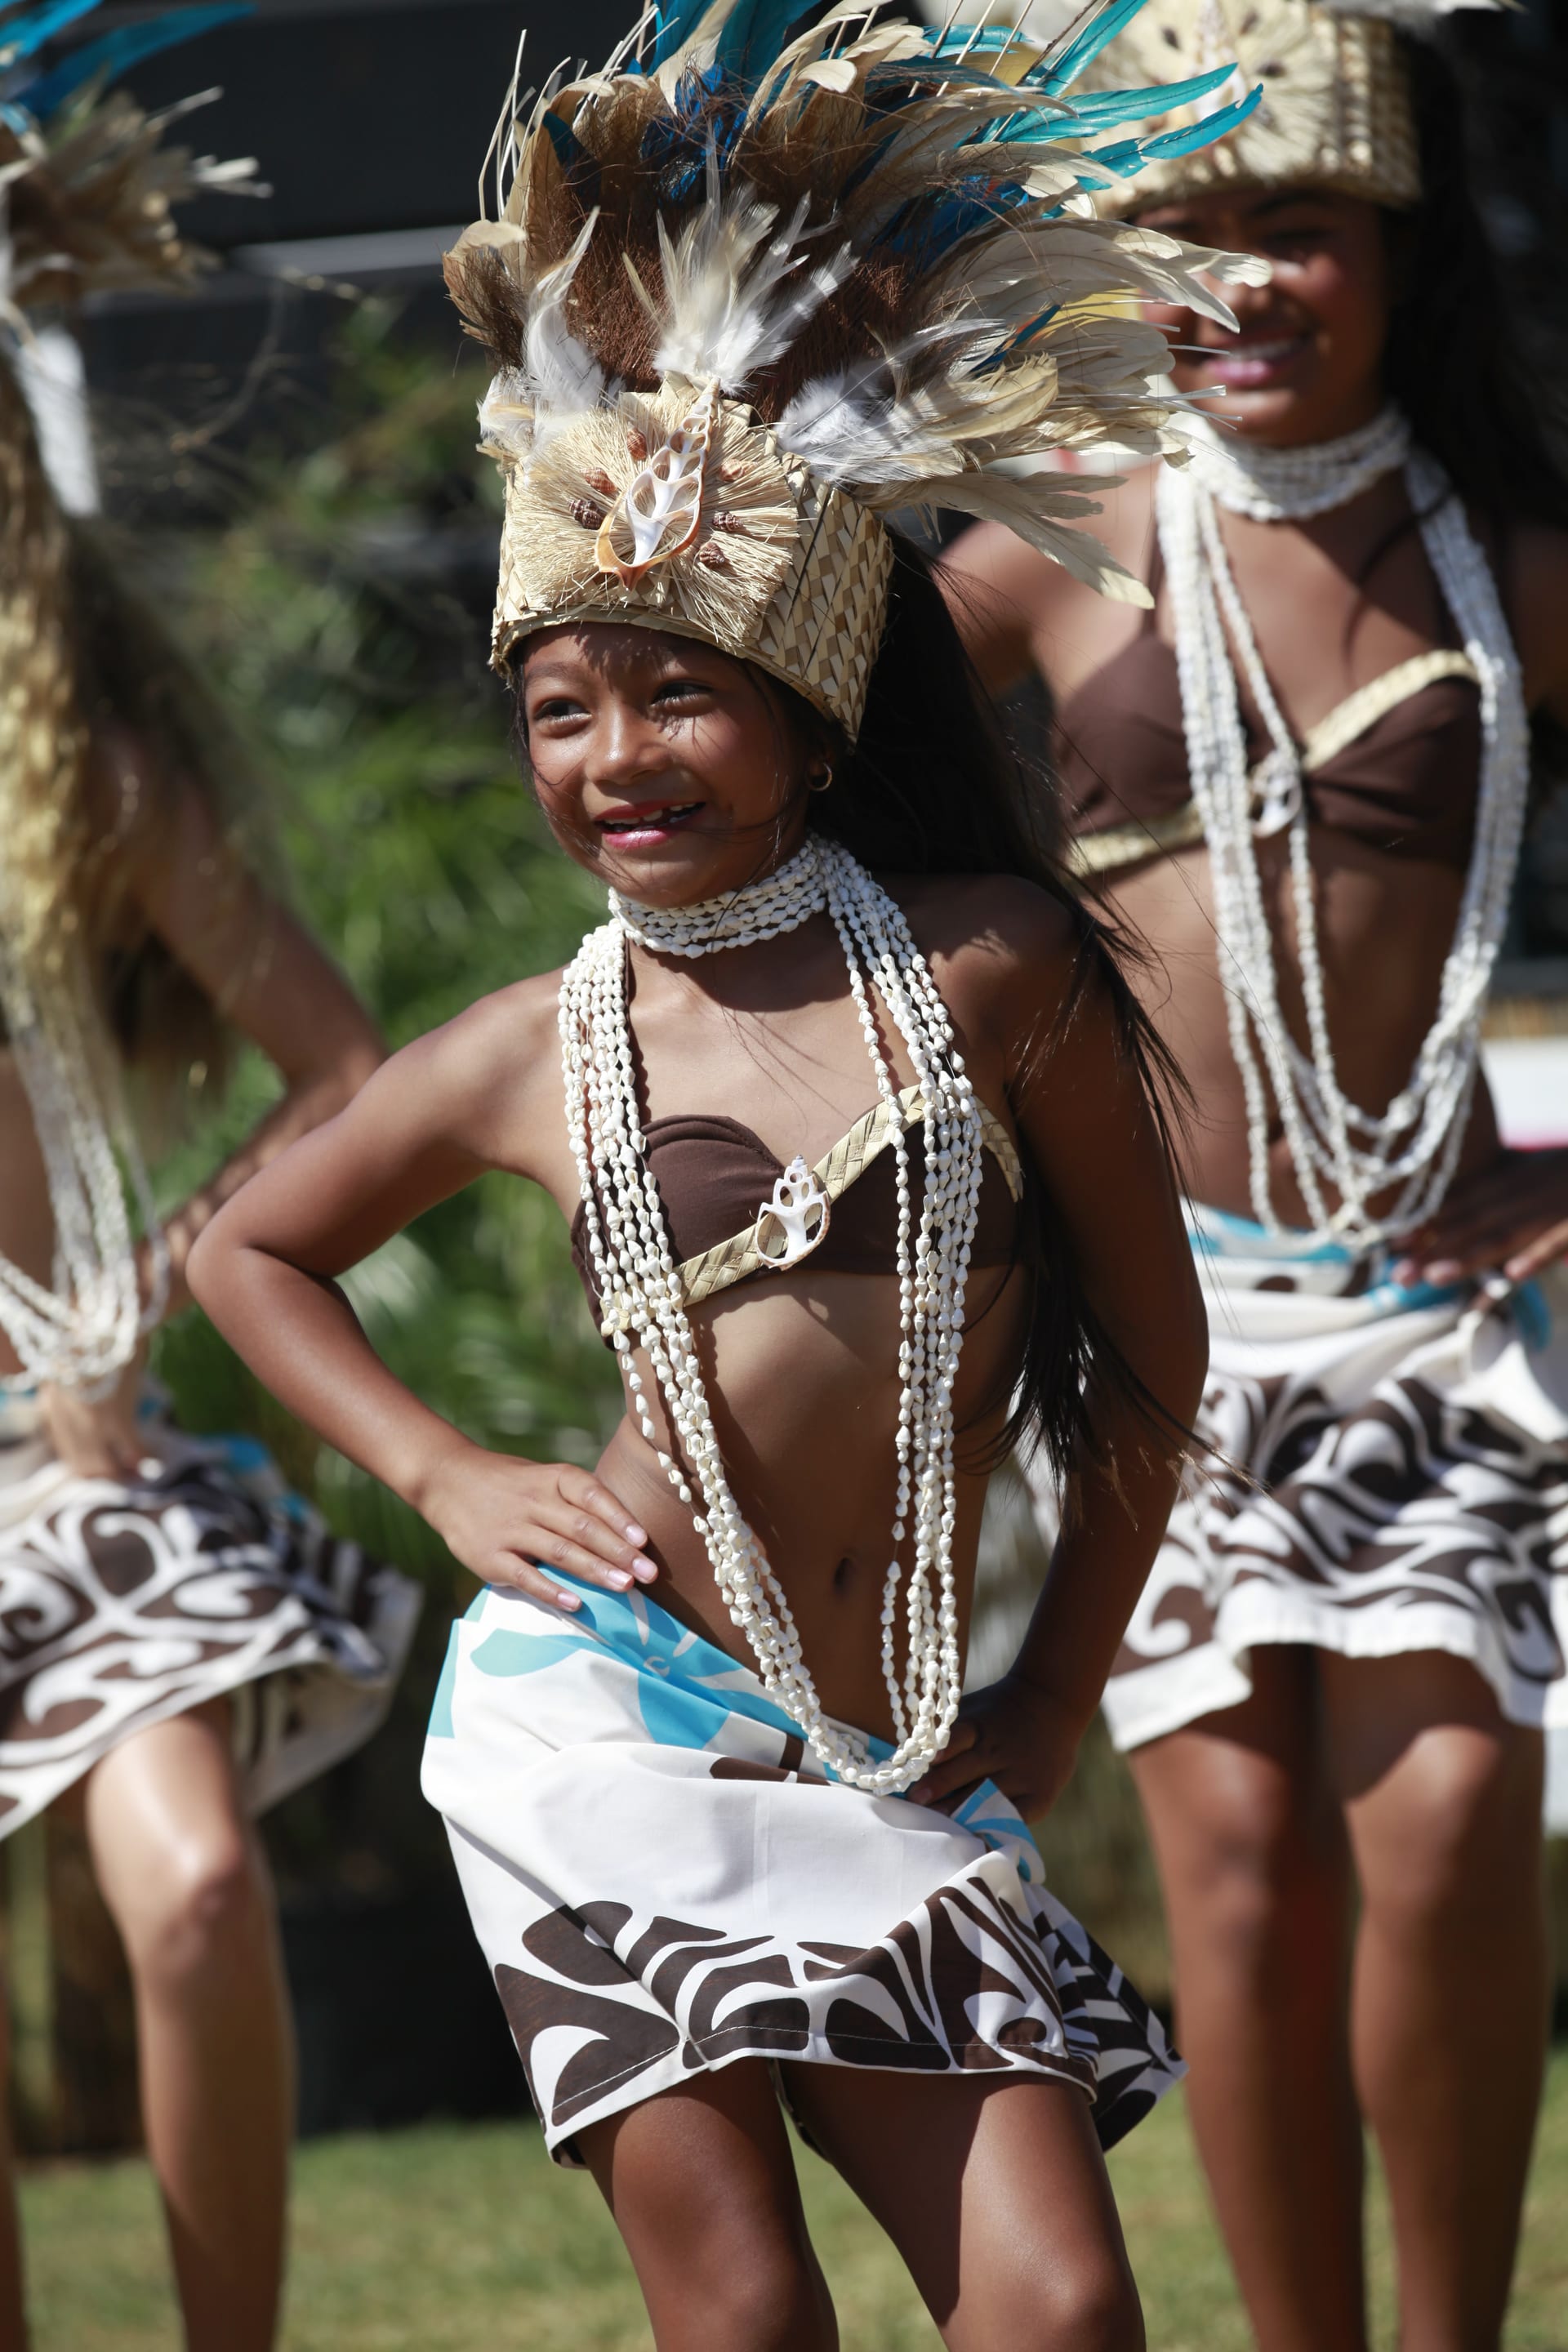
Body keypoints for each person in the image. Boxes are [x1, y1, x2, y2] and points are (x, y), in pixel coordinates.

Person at [181, 2, 1267, 2342]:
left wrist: (1057, 1697)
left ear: (805, 707)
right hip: (605, 1724)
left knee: (1063, 2306)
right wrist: (445, 1469)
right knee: (746, 2317)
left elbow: (1159, 1365)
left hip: (891, 1742)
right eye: (560, 706)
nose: (616, 756)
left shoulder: (983, 974)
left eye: (674, 690)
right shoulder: (523, 1050)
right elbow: (251, 1248)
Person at [942, 4, 1568, 2346]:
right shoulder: (1063, 537)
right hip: (1176, 1318)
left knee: (1440, 1827)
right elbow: (800, 767)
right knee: (1238, 1867)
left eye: (1294, 225)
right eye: (1186, 229)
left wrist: (1560, 1188)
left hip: (1427, 1316)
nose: (1244, 279)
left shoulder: (1498, 569)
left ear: (1395, 255)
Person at [0, 20, 419, 2350]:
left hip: (66, 1457)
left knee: (189, 1906)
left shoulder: (83, 759)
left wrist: (143, 1291)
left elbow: (345, 1071)